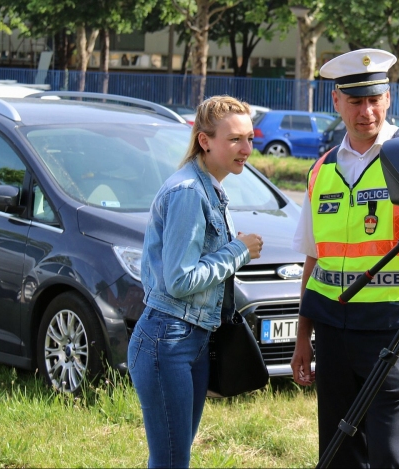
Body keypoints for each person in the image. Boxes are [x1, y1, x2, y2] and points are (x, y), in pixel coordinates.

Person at [290, 48, 399, 468]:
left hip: (394, 330)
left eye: (374, 100)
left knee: (388, 456)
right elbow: (313, 259)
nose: (366, 112)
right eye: (355, 101)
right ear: (336, 101)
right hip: (333, 334)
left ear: (388, 99)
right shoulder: (321, 171)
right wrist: (303, 338)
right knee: (338, 456)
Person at [128, 95, 264, 468]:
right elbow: (179, 279)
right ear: (205, 141)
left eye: (250, 138)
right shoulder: (188, 192)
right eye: (235, 139)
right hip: (167, 341)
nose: (246, 149)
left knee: (174, 458)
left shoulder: (209, 187)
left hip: (191, 339)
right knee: (171, 461)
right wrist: (238, 251)